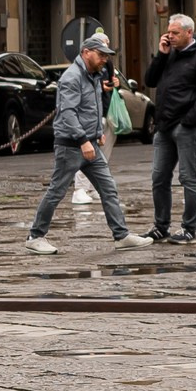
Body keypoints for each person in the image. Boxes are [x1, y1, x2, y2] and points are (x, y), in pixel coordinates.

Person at [23, 34, 131, 254]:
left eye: (106, 56)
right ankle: (35, 236)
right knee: (56, 191)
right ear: (86, 53)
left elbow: (94, 107)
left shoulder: (94, 75)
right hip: (71, 145)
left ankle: (121, 235)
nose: (104, 60)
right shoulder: (72, 77)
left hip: (90, 142)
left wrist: (98, 133)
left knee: (108, 189)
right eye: (101, 55)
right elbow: (68, 113)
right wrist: (83, 140)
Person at [144, 13, 196, 246]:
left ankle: (189, 228)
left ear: (189, 32)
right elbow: (150, 80)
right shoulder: (169, 54)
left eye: (175, 33)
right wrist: (161, 55)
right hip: (164, 126)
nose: (171, 36)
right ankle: (161, 226)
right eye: (169, 32)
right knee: (159, 177)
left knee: (188, 178)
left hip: (186, 127)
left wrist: (189, 120)